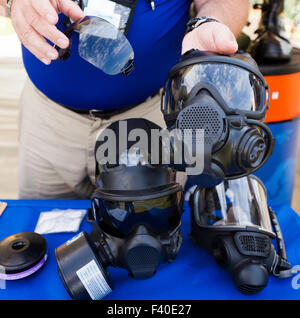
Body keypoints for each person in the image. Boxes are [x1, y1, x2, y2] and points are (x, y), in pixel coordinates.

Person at [1, 0, 249, 199]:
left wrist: (209, 24)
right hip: (48, 124)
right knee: (44, 238)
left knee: (149, 232)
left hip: (150, 121)